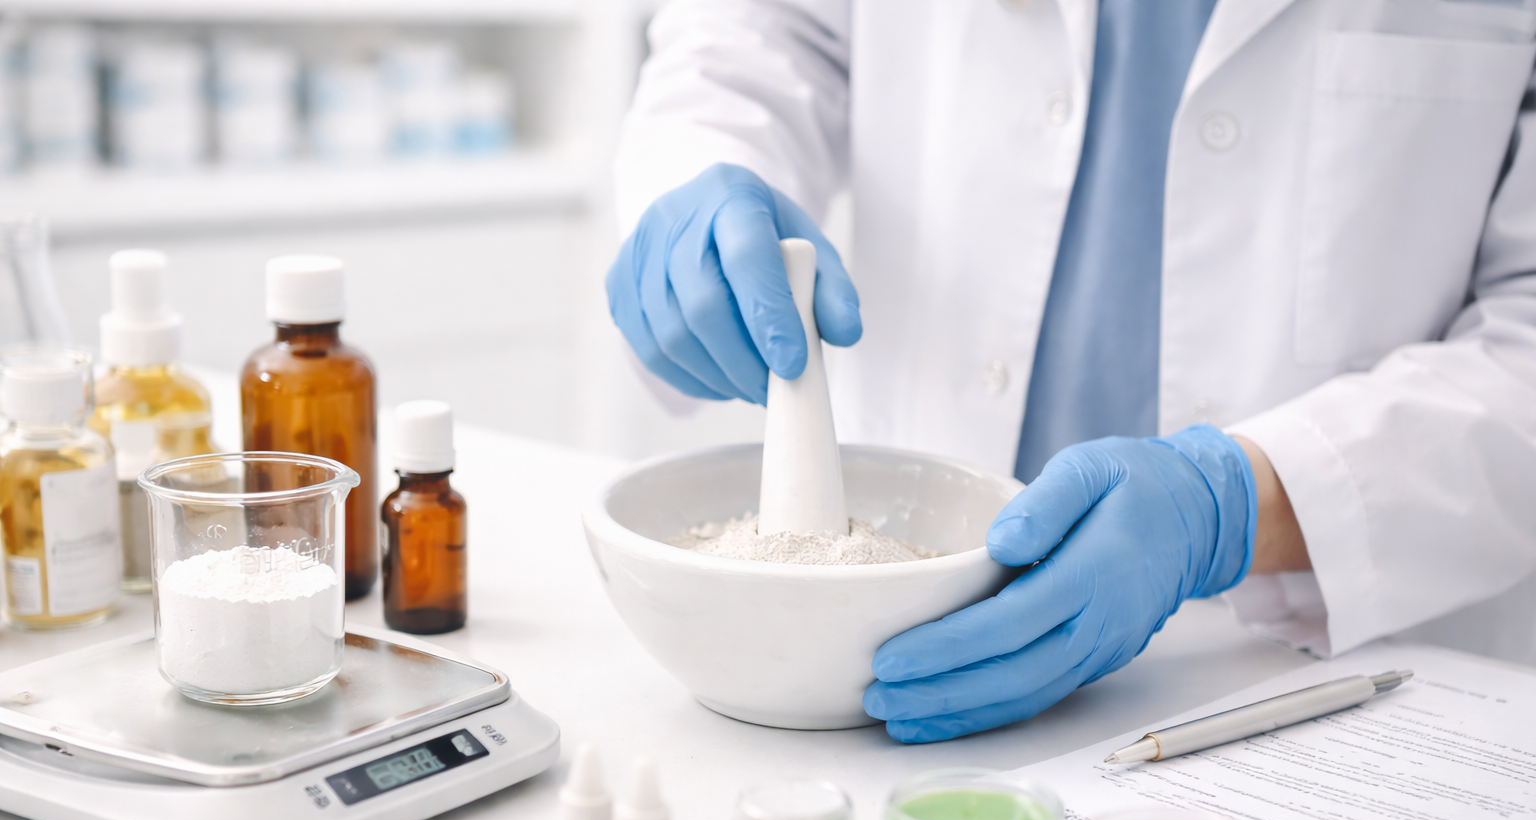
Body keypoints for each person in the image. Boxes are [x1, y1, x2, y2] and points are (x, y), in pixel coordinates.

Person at [605, 0, 1536, 742]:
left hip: (1320, 680)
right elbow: (752, 39)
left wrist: (1235, 505)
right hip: (892, 654)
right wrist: (696, 180)